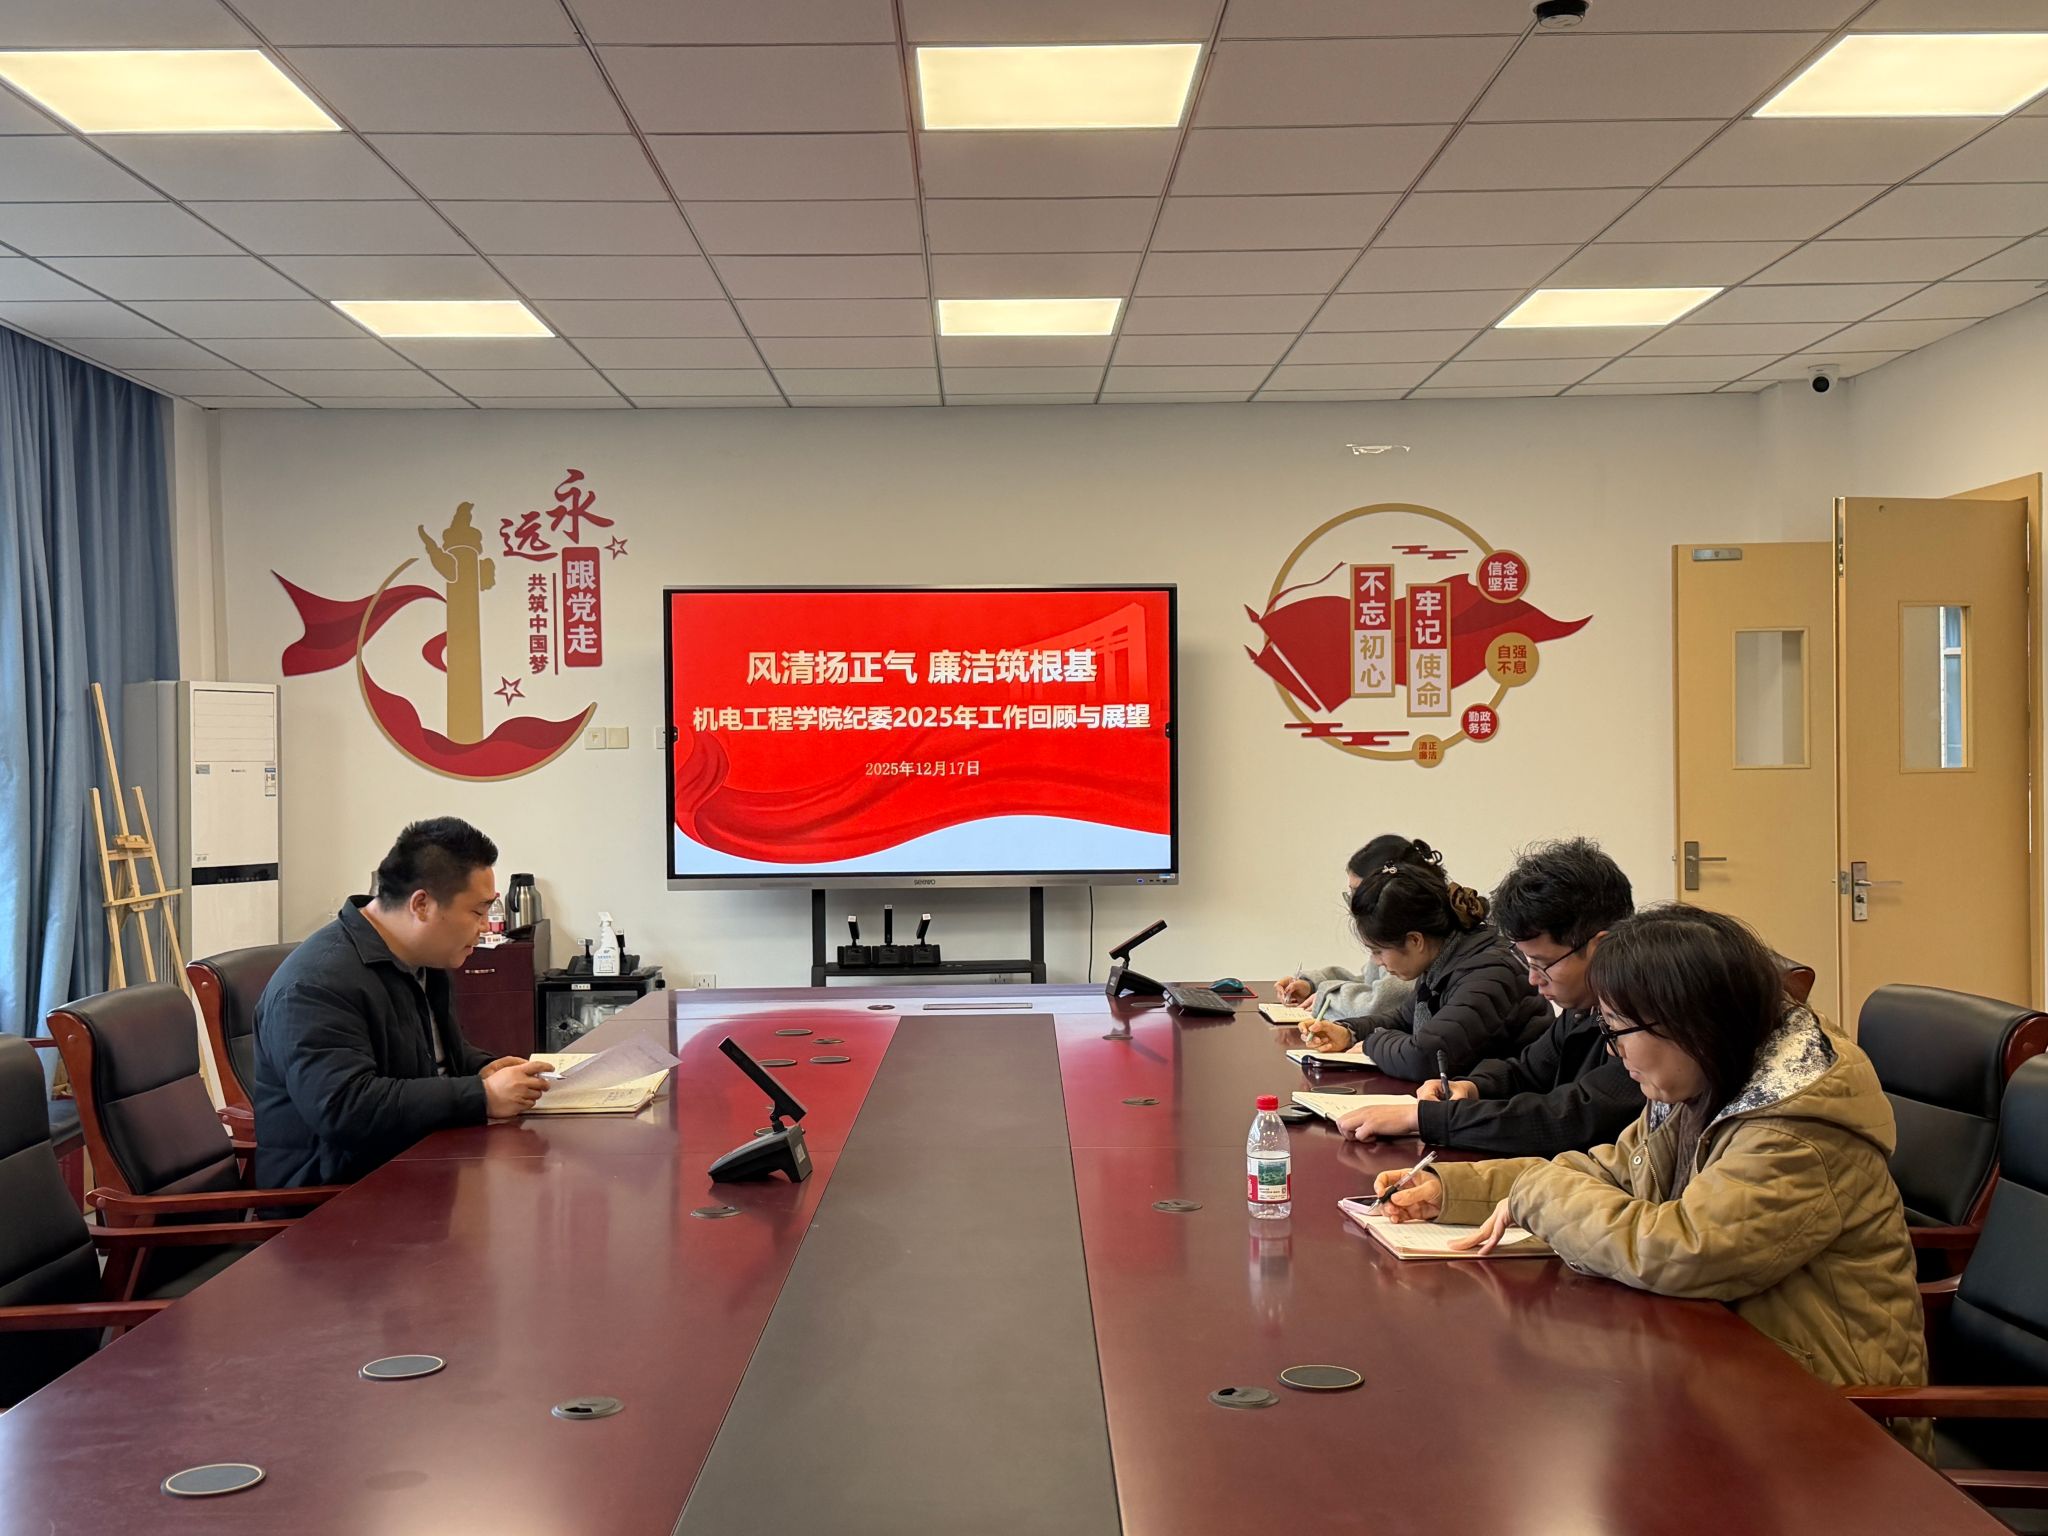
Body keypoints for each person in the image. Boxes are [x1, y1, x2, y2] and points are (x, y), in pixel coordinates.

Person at [1370, 905, 1930, 1453]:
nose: (1614, 1050)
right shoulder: (1710, 1076)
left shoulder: (1794, 1125)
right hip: (1723, 1376)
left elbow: (1687, 1249)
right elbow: (1613, 1169)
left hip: (1830, 1425)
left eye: (1617, 1030)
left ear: (1689, 1024)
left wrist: (1537, 1194)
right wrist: (1455, 1189)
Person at [252, 817, 553, 1188]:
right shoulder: (314, 985)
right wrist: (482, 1096)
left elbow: (431, 1061)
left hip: (421, 1167)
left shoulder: (425, 960)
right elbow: (346, 1108)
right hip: (337, 1199)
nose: (484, 927)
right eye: (478, 912)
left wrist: (484, 1069)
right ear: (421, 904)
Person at [1335, 838, 1640, 1152]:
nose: (1533, 979)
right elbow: (1528, 1070)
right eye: (1528, 962)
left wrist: (1426, 1118)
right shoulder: (1584, 1008)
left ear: (1599, 948)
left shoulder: (1642, 1020)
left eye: (1542, 963)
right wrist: (1472, 1087)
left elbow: (1567, 1118)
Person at [1295, 849, 1547, 1077]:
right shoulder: (1446, 960)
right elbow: (1403, 1019)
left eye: (1379, 951)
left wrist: (1372, 1043)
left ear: (1415, 940)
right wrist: (1348, 1032)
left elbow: (1426, 1057)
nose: (1377, 962)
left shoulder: (1488, 972)